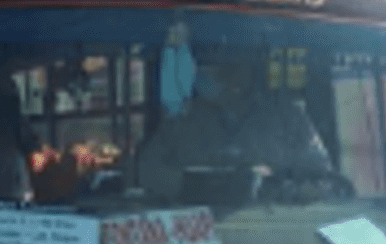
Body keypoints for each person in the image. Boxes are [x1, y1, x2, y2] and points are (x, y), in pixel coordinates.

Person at [135, 47, 331, 204]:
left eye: (232, 64)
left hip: (275, 232)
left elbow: (323, 179)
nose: (223, 73)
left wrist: (274, 186)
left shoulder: (289, 118)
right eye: (214, 64)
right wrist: (193, 187)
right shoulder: (183, 120)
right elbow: (145, 172)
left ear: (251, 68)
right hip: (197, 235)